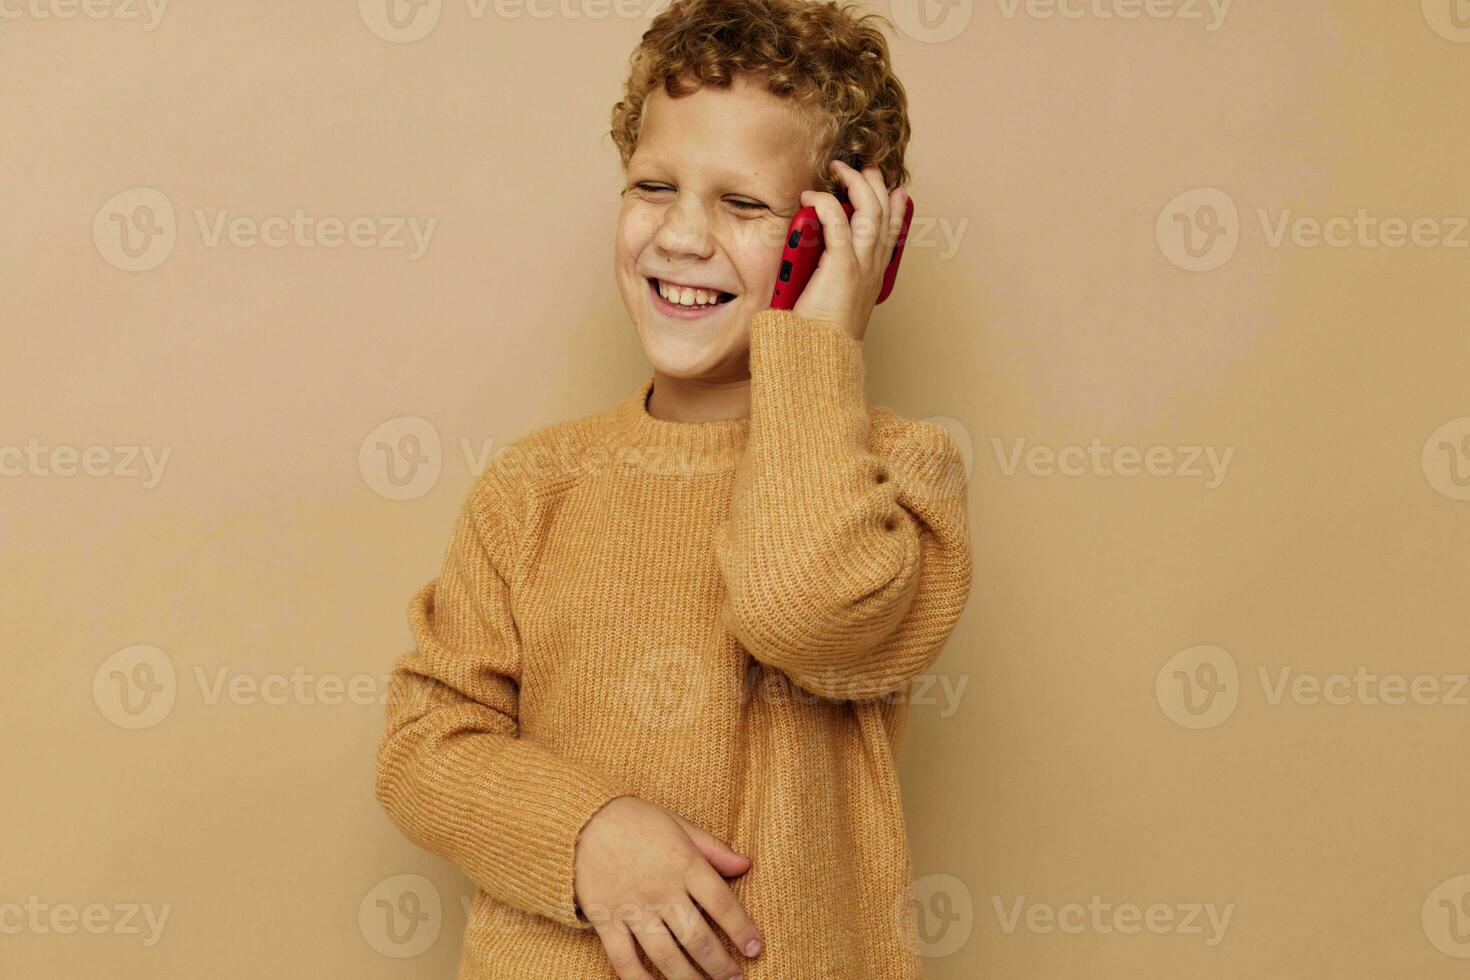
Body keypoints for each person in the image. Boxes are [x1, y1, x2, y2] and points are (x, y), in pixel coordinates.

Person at [374, 0, 973, 975]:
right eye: (655, 185)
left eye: (743, 205)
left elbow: (802, 608)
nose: (683, 236)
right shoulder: (533, 485)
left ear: (845, 242)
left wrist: (816, 348)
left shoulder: (898, 476)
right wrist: (585, 832)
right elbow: (425, 743)